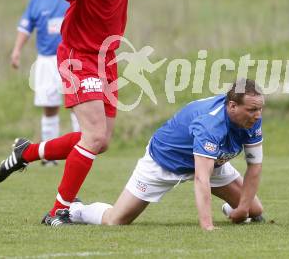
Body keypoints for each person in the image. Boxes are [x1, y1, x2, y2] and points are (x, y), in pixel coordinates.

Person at [0, 0, 193, 227]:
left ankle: (27, 152)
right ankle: (58, 210)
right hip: (79, 58)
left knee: (100, 141)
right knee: (94, 135)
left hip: (107, 60)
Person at [69, 79, 265, 231]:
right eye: (252, 110)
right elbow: (201, 178)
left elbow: (254, 167)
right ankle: (76, 210)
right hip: (165, 160)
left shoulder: (252, 119)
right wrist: (207, 225)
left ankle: (233, 209)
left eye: (260, 109)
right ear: (232, 106)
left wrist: (242, 209)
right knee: (116, 220)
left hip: (211, 161)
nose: (258, 115)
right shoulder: (210, 125)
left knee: (255, 210)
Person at [10, 0, 80, 166]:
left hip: (72, 59)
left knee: (78, 105)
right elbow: (25, 27)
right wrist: (16, 51)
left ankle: (80, 150)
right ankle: (49, 155)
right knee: (50, 106)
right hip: (47, 61)